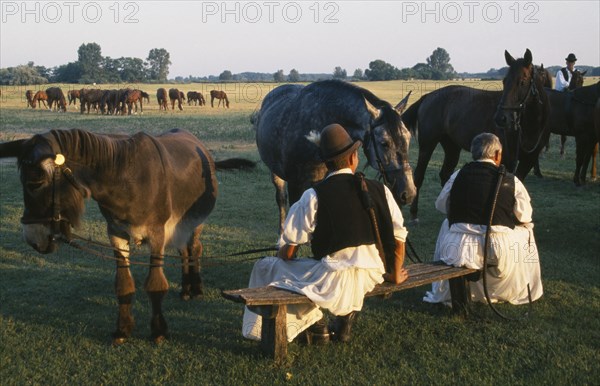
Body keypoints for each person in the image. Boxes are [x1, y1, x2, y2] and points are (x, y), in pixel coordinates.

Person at [242, 123, 409, 344]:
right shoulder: (381, 190)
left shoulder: (313, 196)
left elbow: (289, 251)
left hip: (332, 281)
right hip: (371, 276)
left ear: (326, 163)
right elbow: (399, 236)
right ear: (353, 158)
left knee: (266, 266)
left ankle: (312, 326)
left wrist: (283, 253)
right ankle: (328, 325)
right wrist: (395, 273)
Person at [423, 133, 543, 306]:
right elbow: (525, 216)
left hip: (458, 248)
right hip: (500, 248)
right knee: (527, 230)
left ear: (474, 153)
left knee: (446, 224)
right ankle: (517, 287)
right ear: (497, 155)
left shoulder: (458, 175)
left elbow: (441, 206)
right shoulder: (510, 180)